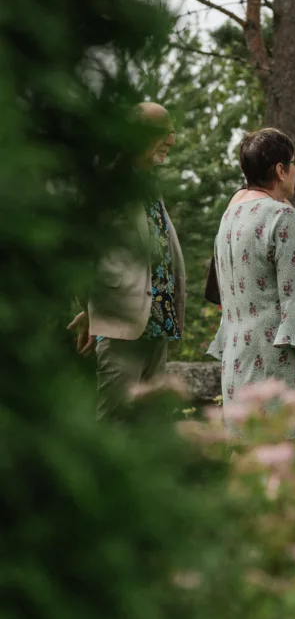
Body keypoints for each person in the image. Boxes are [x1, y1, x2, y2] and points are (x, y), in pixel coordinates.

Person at [68, 102, 185, 418]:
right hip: (123, 329)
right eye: (165, 131)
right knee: (114, 422)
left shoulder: (149, 183)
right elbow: (82, 251)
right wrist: (93, 308)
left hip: (158, 327)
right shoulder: (107, 184)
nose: (172, 140)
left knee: (149, 428)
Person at [211, 127, 295, 429]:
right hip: (278, 364)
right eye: (294, 163)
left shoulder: (229, 217)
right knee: (288, 460)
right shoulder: (282, 216)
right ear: (280, 170)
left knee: (249, 456)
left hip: (237, 358)